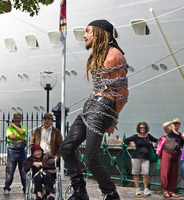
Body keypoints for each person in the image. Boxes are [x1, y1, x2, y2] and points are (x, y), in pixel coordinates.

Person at [60, 19, 129, 200]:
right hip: (90, 104)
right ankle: (80, 191)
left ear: (100, 33)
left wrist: (112, 118)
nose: (84, 35)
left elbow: (122, 93)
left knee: (91, 158)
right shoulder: (99, 55)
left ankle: (111, 194)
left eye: (88, 31)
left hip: (102, 107)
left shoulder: (114, 56)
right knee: (66, 148)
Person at [123, 122, 158, 196]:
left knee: (146, 173)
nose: (142, 129)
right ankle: (137, 189)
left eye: (144, 128)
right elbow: (126, 140)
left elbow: (157, 140)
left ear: (146, 128)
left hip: (146, 158)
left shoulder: (148, 136)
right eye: (141, 128)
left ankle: (146, 189)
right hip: (136, 157)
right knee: (136, 173)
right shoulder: (136, 136)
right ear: (138, 129)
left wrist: (157, 145)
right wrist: (132, 145)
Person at [3, 113, 27, 195]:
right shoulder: (8, 128)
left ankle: (25, 188)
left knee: (23, 172)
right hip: (12, 152)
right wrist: (21, 138)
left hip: (22, 153)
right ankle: (6, 187)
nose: (18, 119)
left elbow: (21, 131)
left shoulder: (24, 127)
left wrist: (13, 124)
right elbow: (11, 137)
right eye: (16, 118)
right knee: (10, 171)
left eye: (19, 118)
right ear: (13, 118)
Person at [160, 118, 182, 198]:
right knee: (165, 172)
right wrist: (172, 121)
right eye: (175, 123)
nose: (177, 124)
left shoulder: (179, 134)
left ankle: (171, 190)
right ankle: (165, 190)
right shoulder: (170, 131)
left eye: (178, 123)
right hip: (167, 152)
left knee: (174, 173)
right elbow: (164, 125)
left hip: (176, 154)